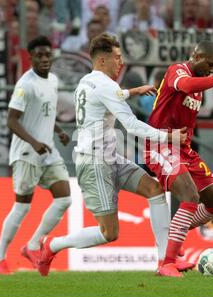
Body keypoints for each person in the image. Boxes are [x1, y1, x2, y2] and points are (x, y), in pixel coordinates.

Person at [37, 33, 191, 277]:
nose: (121, 63)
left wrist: (133, 91)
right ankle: (52, 245)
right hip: (94, 162)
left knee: (155, 190)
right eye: (117, 58)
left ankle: (165, 261)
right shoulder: (107, 85)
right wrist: (169, 137)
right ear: (102, 60)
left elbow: (106, 96)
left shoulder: (87, 81)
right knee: (109, 233)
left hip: (110, 157)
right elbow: (131, 125)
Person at [145, 40, 213, 277]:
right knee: (189, 196)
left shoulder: (200, 86)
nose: (211, 70)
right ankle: (166, 263)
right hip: (161, 145)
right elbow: (185, 85)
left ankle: (173, 237)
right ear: (195, 56)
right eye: (209, 64)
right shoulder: (177, 71)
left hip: (185, 150)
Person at [0, 36, 72, 274]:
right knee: (22, 207)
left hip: (47, 151)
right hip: (27, 153)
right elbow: (11, 120)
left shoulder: (53, 80)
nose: (45, 59)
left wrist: (58, 131)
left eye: (48, 55)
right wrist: (35, 142)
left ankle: (33, 244)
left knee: (65, 199)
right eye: (39, 55)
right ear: (31, 57)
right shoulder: (25, 85)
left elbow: (45, 112)